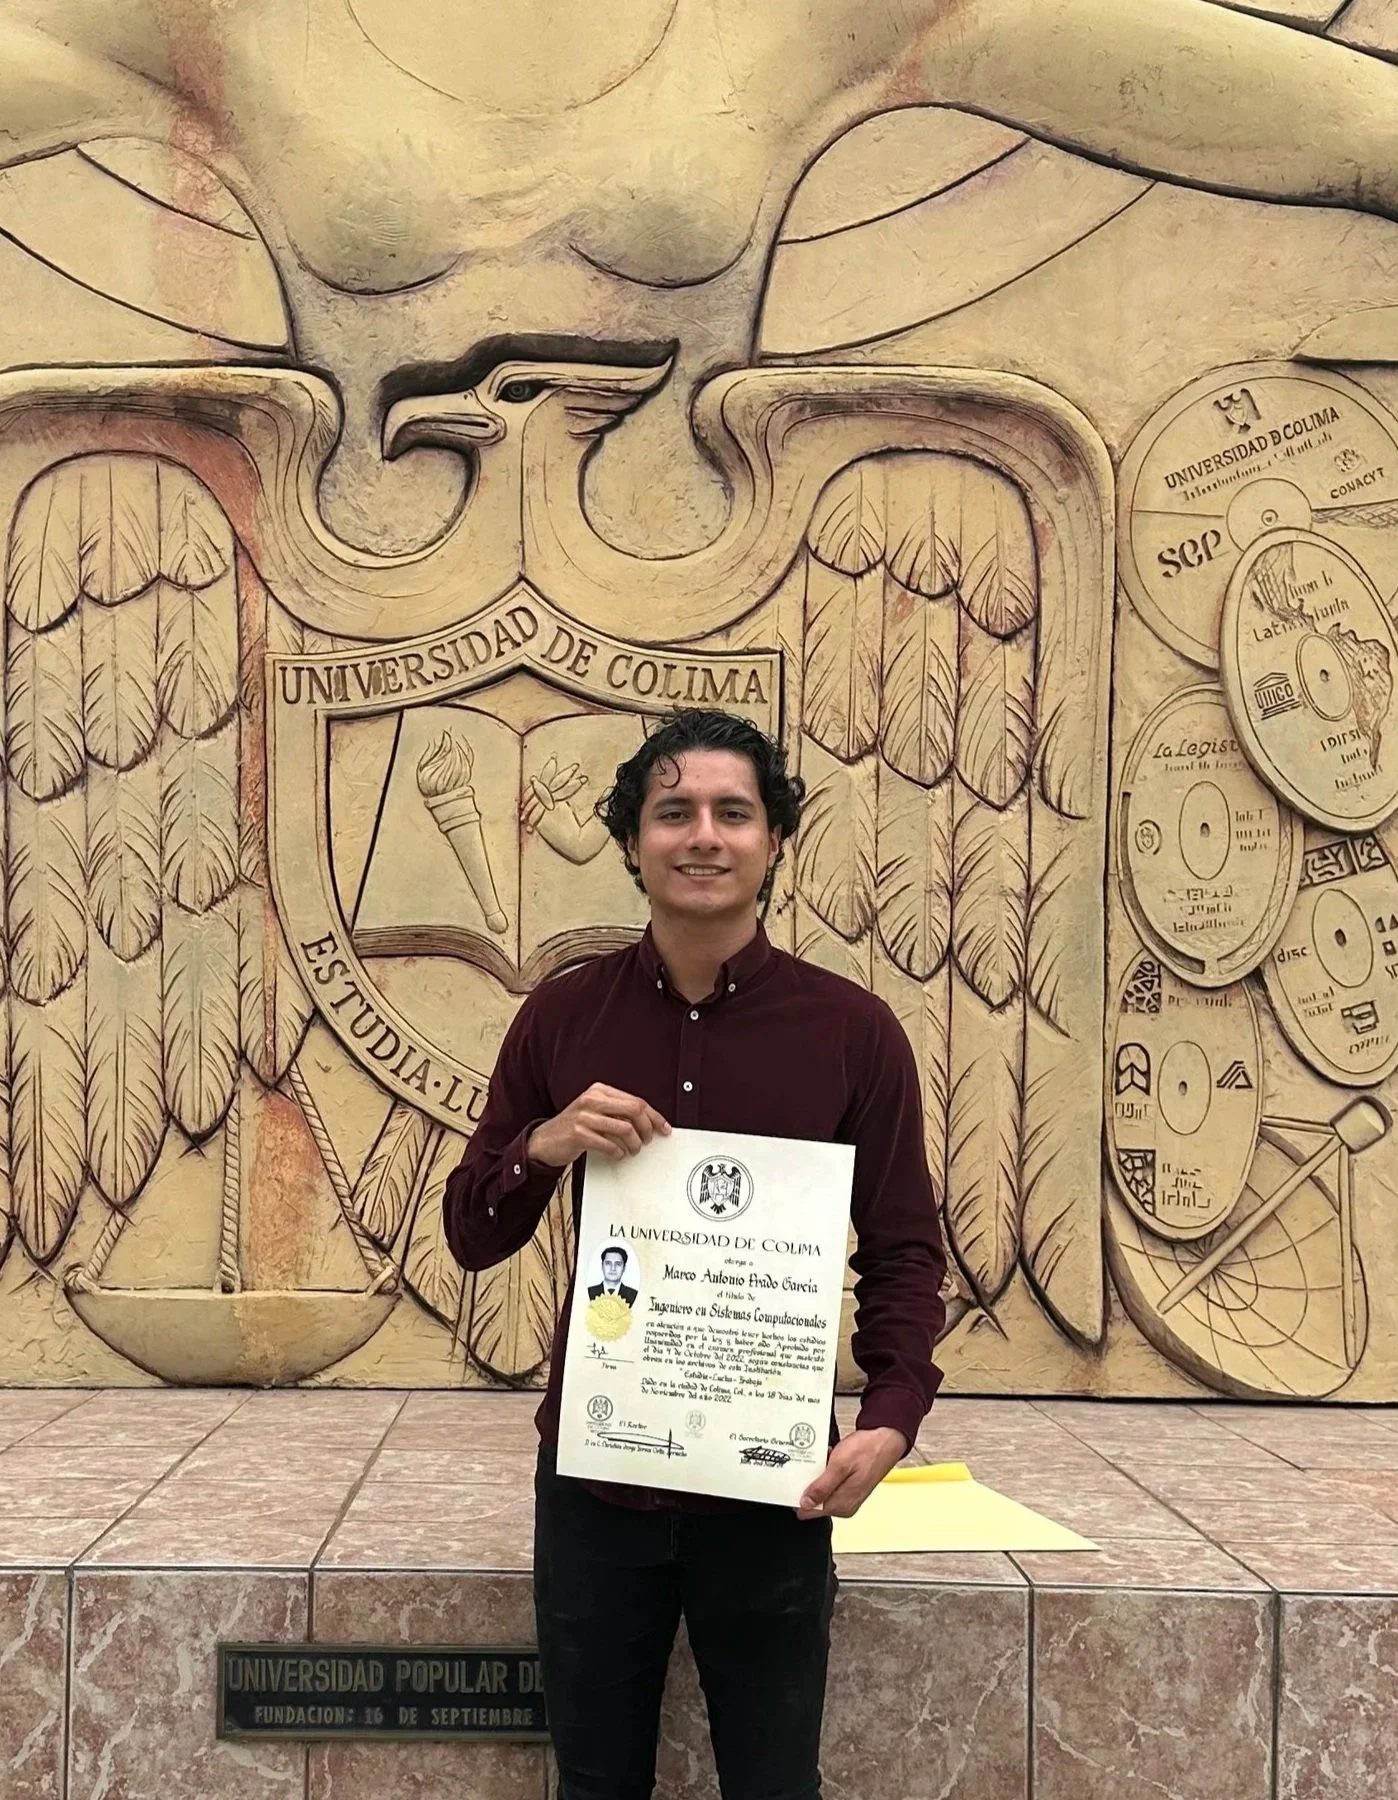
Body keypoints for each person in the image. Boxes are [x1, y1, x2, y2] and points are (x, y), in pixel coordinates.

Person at [443, 707, 946, 1800]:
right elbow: (472, 1233)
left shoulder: (853, 1034)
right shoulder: (561, 1020)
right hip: (597, 1482)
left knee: (773, 1783)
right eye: (673, 812)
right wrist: (546, 1144)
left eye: (733, 811)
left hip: (770, 1488)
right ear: (631, 843)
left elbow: (905, 1252)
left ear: (773, 841)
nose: (703, 835)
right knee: (595, 1784)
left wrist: (892, 1419)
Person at [588, 1244, 638, 1308]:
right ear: (602, 1266)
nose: (613, 1268)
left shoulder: (633, 1295)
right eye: (608, 1263)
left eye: (618, 1264)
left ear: (624, 1268)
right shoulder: (589, 1292)